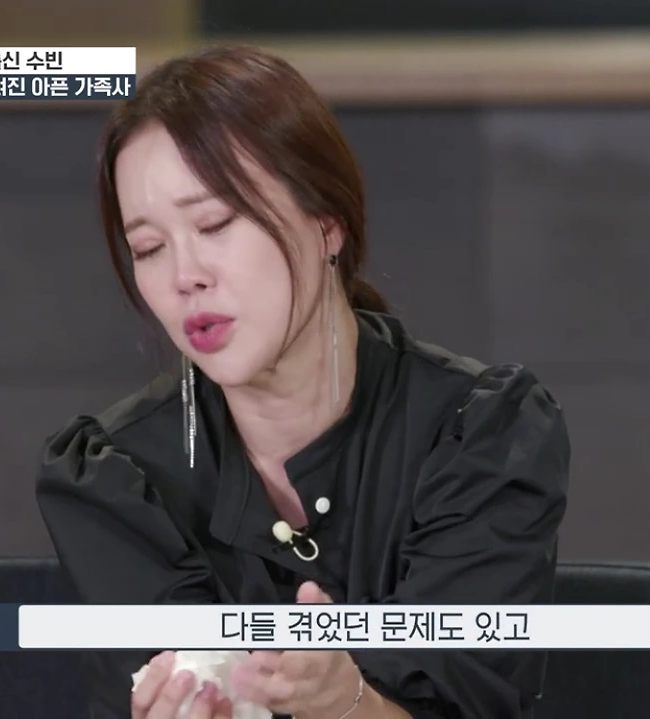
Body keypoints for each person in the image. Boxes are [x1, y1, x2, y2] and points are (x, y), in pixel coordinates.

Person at [35, 44, 571, 719]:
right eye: (149, 248)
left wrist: (345, 702)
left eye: (214, 223)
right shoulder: (114, 475)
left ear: (326, 223)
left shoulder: (481, 436)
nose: (184, 276)